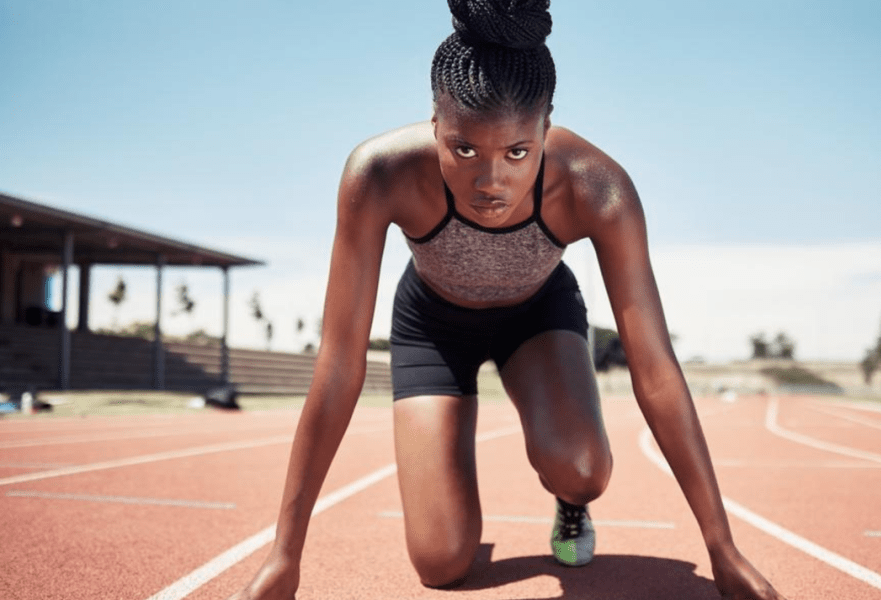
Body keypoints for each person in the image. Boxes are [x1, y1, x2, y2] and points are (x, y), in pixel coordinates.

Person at [229, 1, 786, 598]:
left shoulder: (598, 188)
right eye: (463, 149)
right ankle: (448, 481)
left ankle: (569, 506)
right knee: (441, 563)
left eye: (517, 153)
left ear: (547, 129)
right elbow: (339, 363)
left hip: (537, 319)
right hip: (431, 328)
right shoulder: (379, 174)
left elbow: (655, 370)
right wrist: (284, 555)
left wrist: (722, 549)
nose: (490, 181)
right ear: (435, 125)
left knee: (582, 468)